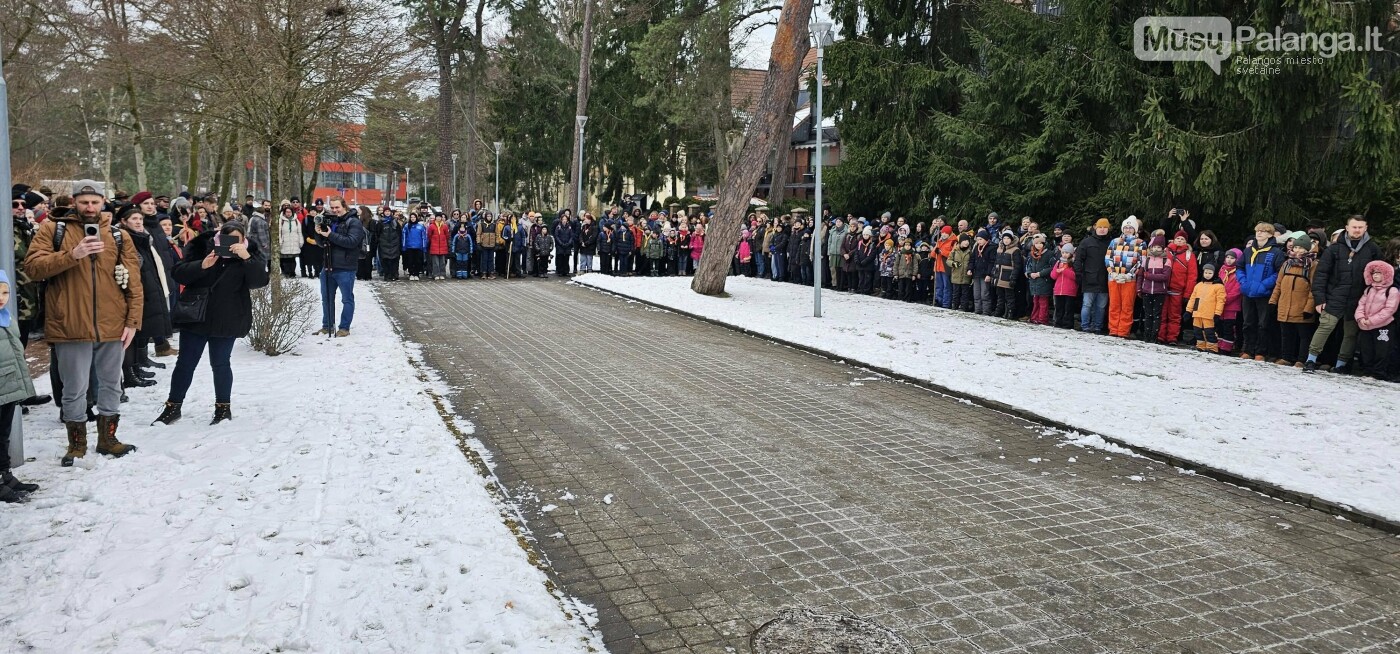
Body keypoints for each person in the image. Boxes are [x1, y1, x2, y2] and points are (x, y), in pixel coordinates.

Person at [23, 180, 144, 466]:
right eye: (84, 202)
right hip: (70, 324)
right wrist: (72, 255)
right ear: (75, 202)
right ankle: (76, 444)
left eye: (95, 201)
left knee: (112, 384)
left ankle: (108, 439)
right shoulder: (54, 229)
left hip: (112, 324)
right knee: (74, 388)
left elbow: (134, 283)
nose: (90, 207)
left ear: (103, 201)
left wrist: (133, 321)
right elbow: (32, 268)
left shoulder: (118, 235)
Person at [153, 221, 269, 426]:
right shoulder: (201, 247)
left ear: (244, 240)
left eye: (238, 239)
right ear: (218, 236)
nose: (232, 244)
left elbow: (259, 281)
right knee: (185, 363)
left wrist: (247, 258)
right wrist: (202, 265)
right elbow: (178, 273)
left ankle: (223, 408)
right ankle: (173, 406)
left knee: (221, 364)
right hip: (196, 316)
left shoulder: (250, 253)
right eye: (228, 239)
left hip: (228, 318)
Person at [1306, 215, 1382, 373]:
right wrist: (1320, 298)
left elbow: (1379, 276)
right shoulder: (1334, 249)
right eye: (1354, 227)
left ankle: (1341, 365)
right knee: (1325, 327)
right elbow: (1321, 275)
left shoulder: (1373, 249)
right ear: (1347, 228)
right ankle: (1311, 360)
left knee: (1350, 334)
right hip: (1334, 297)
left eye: (1360, 227)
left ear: (1366, 228)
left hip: (1358, 300)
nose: (1357, 230)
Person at [116, 206, 173, 390]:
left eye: (140, 219)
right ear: (124, 222)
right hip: (133, 290)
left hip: (146, 287)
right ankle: (130, 373)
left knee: (141, 331)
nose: (139, 222)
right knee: (130, 335)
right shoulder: (125, 239)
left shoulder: (143, 237)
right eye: (134, 219)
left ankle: (137, 367)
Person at [0, 270, 39, 502]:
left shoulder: (7, 318)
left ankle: (5, 475)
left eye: (5, 292)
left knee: (3, 434)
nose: (2, 297)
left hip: (8, 386)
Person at [314, 196, 366, 337]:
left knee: (347, 299)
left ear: (344, 206)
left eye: (337, 207)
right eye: (332, 207)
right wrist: (319, 233)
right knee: (326, 299)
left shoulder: (354, 222)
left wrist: (331, 235)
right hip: (328, 266)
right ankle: (327, 326)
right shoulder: (331, 220)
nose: (335, 210)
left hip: (345, 267)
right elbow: (321, 243)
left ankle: (344, 328)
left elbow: (352, 242)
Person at [1238, 222, 1286, 361]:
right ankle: (1247, 349)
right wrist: (1244, 283)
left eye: (1263, 231)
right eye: (1257, 231)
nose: (1259, 233)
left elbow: (1279, 272)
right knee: (1248, 323)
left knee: (1263, 324)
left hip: (1264, 293)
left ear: (1270, 234)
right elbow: (1240, 268)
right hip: (1248, 292)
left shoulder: (1275, 252)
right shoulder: (1248, 251)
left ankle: (1261, 351)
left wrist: (1264, 285)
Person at [1269, 234, 1318, 367]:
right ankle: (1286, 357)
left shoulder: (1312, 265)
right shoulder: (1286, 263)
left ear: (1307, 249)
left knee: (1304, 336)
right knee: (1286, 334)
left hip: (1301, 307)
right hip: (1285, 305)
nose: (1298, 250)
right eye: (1296, 247)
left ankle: (1301, 359)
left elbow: (1314, 289)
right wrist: (1273, 301)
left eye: (1301, 248)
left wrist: (1309, 308)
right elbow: (1278, 284)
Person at [1354, 261, 1398, 377]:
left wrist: (1372, 320)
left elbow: (1389, 309)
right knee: (1366, 349)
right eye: (1373, 273)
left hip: (1383, 326)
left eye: (1379, 273)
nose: (1375, 275)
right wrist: (1360, 317)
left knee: (1382, 351)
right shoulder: (1369, 289)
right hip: (1366, 325)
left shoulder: (1392, 291)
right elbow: (1361, 304)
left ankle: (1379, 372)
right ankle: (1367, 370)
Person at [1105, 217, 1144, 338]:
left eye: (1130, 228)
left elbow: (1141, 261)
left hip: (1128, 279)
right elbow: (1108, 257)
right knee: (1114, 305)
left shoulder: (1140, 243)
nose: (1128, 229)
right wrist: (1112, 273)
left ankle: (1123, 331)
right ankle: (1113, 329)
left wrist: (1129, 275)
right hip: (1114, 278)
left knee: (1127, 306)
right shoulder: (1114, 241)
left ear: (1135, 229)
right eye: (1126, 227)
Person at [1074, 218, 1112, 333]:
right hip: (1089, 278)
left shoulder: (1111, 242)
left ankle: (1097, 327)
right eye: (1100, 227)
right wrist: (1079, 274)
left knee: (1101, 306)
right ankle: (1085, 326)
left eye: (1105, 227)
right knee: (1087, 304)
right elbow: (1078, 259)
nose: (1102, 229)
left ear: (1108, 229)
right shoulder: (1086, 242)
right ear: (1095, 227)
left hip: (1105, 278)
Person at [1137, 235, 1172, 344]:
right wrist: (1139, 288)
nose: (1156, 249)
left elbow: (1165, 277)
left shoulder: (1166, 260)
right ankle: (1146, 336)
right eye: (1154, 247)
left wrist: (1149, 276)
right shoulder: (1146, 259)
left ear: (1163, 248)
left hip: (1159, 291)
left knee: (1157, 315)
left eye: (1159, 247)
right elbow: (1140, 276)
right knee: (1148, 315)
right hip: (1146, 291)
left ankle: (1154, 337)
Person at [1187, 264, 1226, 352]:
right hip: (1198, 312)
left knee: (1209, 332)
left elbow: (1220, 301)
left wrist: (1217, 313)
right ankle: (1200, 346)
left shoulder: (1219, 286)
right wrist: (1188, 310)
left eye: (1210, 273)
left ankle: (1212, 347)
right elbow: (1193, 299)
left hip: (1209, 314)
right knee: (1197, 331)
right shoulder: (1199, 285)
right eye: (1206, 272)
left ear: (1214, 273)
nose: (1207, 275)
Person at [1024, 234, 1054, 325]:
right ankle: (1034, 317)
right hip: (1034, 281)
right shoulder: (1031, 254)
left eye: (1041, 243)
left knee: (1043, 301)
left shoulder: (1049, 254)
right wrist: (1029, 273)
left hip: (1044, 281)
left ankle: (1042, 319)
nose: (1039, 245)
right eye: (1037, 243)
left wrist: (1040, 274)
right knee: (1035, 300)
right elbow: (1028, 265)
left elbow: (1052, 267)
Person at [1050, 243, 1078, 328]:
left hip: (1069, 290)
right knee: (1059, 308)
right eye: (1063, 253)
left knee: (1068, 309)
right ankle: (1058, 323)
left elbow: (1075, 276)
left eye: (1067, 253)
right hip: (1059, 290)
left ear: (1071, 254)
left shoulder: (1073, 263)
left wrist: (1064, 271)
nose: (1064, 255)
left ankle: (1068, 325)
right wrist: (1057, 271)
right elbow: (1053, 276)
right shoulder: (1058, 262)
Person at [401, 206, 429, 281]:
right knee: (410, 261)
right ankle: (411, 273)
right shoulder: (407, 226)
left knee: (418, 261)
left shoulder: (420, 226)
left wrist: (424, 246)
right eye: (411, 217)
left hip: (418, 247)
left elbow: (424, 237)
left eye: (414, 217)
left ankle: (416, 273)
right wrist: (403, 246)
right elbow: (403, 236)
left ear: (416, 218)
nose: (413, 218)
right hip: (409, 247)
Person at [375, 209, 403, 281]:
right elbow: (377, 233)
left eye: (388, 211)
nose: (387, 213)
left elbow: (399, 233)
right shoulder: (381, 222)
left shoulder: (395, 222)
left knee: (395, 260)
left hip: (394, 244)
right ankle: (387, 275)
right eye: (386, 211)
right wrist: (380, 241)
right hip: (384, 244)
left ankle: (394, 274)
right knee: (385, 260)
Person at [276, 203, 303, 277]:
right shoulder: (281, 221)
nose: (288, 213)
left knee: (292, 259)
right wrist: (280, 241)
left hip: (294, 242)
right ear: (284, 213)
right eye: (287, 212)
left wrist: (301, 241)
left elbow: (299, 232)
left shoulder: (296, 221)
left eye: (290, 212)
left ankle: (292, 272)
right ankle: (286, 272)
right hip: (285, 242)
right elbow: (279, 232)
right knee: (285, 259)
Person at [427, 211, 451, 281]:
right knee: (435, 262)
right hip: (434, 246)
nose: (438, 218)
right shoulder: (431, 226)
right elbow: (429, 236)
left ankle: (442, 274)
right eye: (437, 217)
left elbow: (447, 236)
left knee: (442, 262)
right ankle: (436, 274)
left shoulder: (445, 226)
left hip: (443, 247)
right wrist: (433, 241)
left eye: (440, 217)